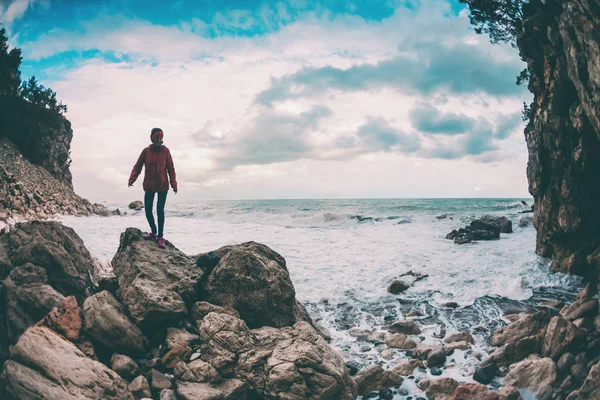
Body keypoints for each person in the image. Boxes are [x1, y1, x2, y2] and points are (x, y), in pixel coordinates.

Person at [128, 127, 177, 249]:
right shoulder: (146, 151)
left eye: (160, 137)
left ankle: (160, 236)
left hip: (162, 186)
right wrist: (132, 178)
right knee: (148, 210)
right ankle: (153, 232)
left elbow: (171, 168)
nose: (158, 139)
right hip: (149, 185)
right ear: (152, 138)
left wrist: (174, 183)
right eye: (156, 137)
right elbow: (138, 166)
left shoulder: (165, 151)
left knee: (160, 210)